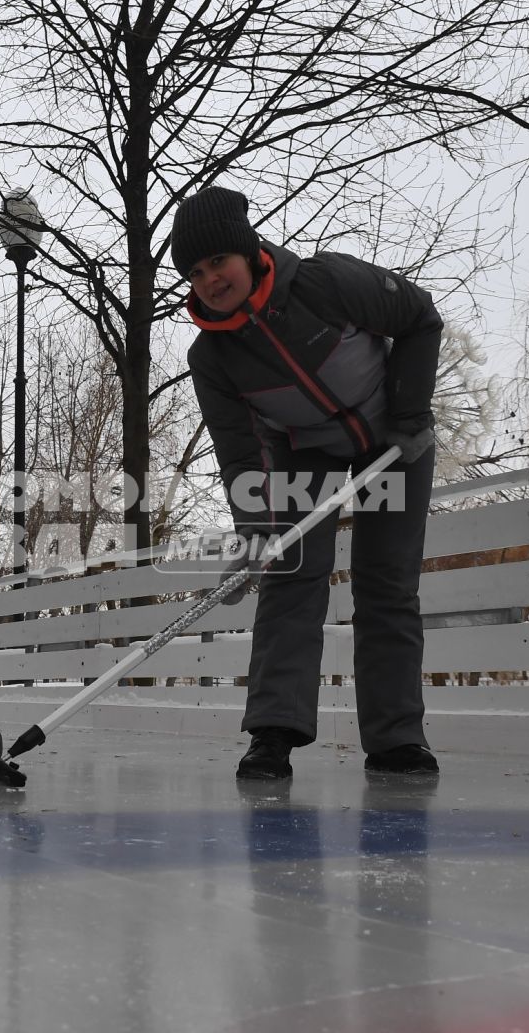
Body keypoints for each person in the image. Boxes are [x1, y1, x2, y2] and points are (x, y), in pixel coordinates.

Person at [173, 186, 441, 780]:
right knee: (290, 578)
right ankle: (273, 734)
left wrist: (409, 417)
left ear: (247, 251)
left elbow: (421, 318)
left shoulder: (325, 283)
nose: (211, 280)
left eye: (219, 261)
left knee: (386, 584)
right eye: (195, 272)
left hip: (393, 440)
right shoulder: (212, 358)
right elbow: (240, 450)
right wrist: (254, 534)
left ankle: (397, 738)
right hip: (303, 453)